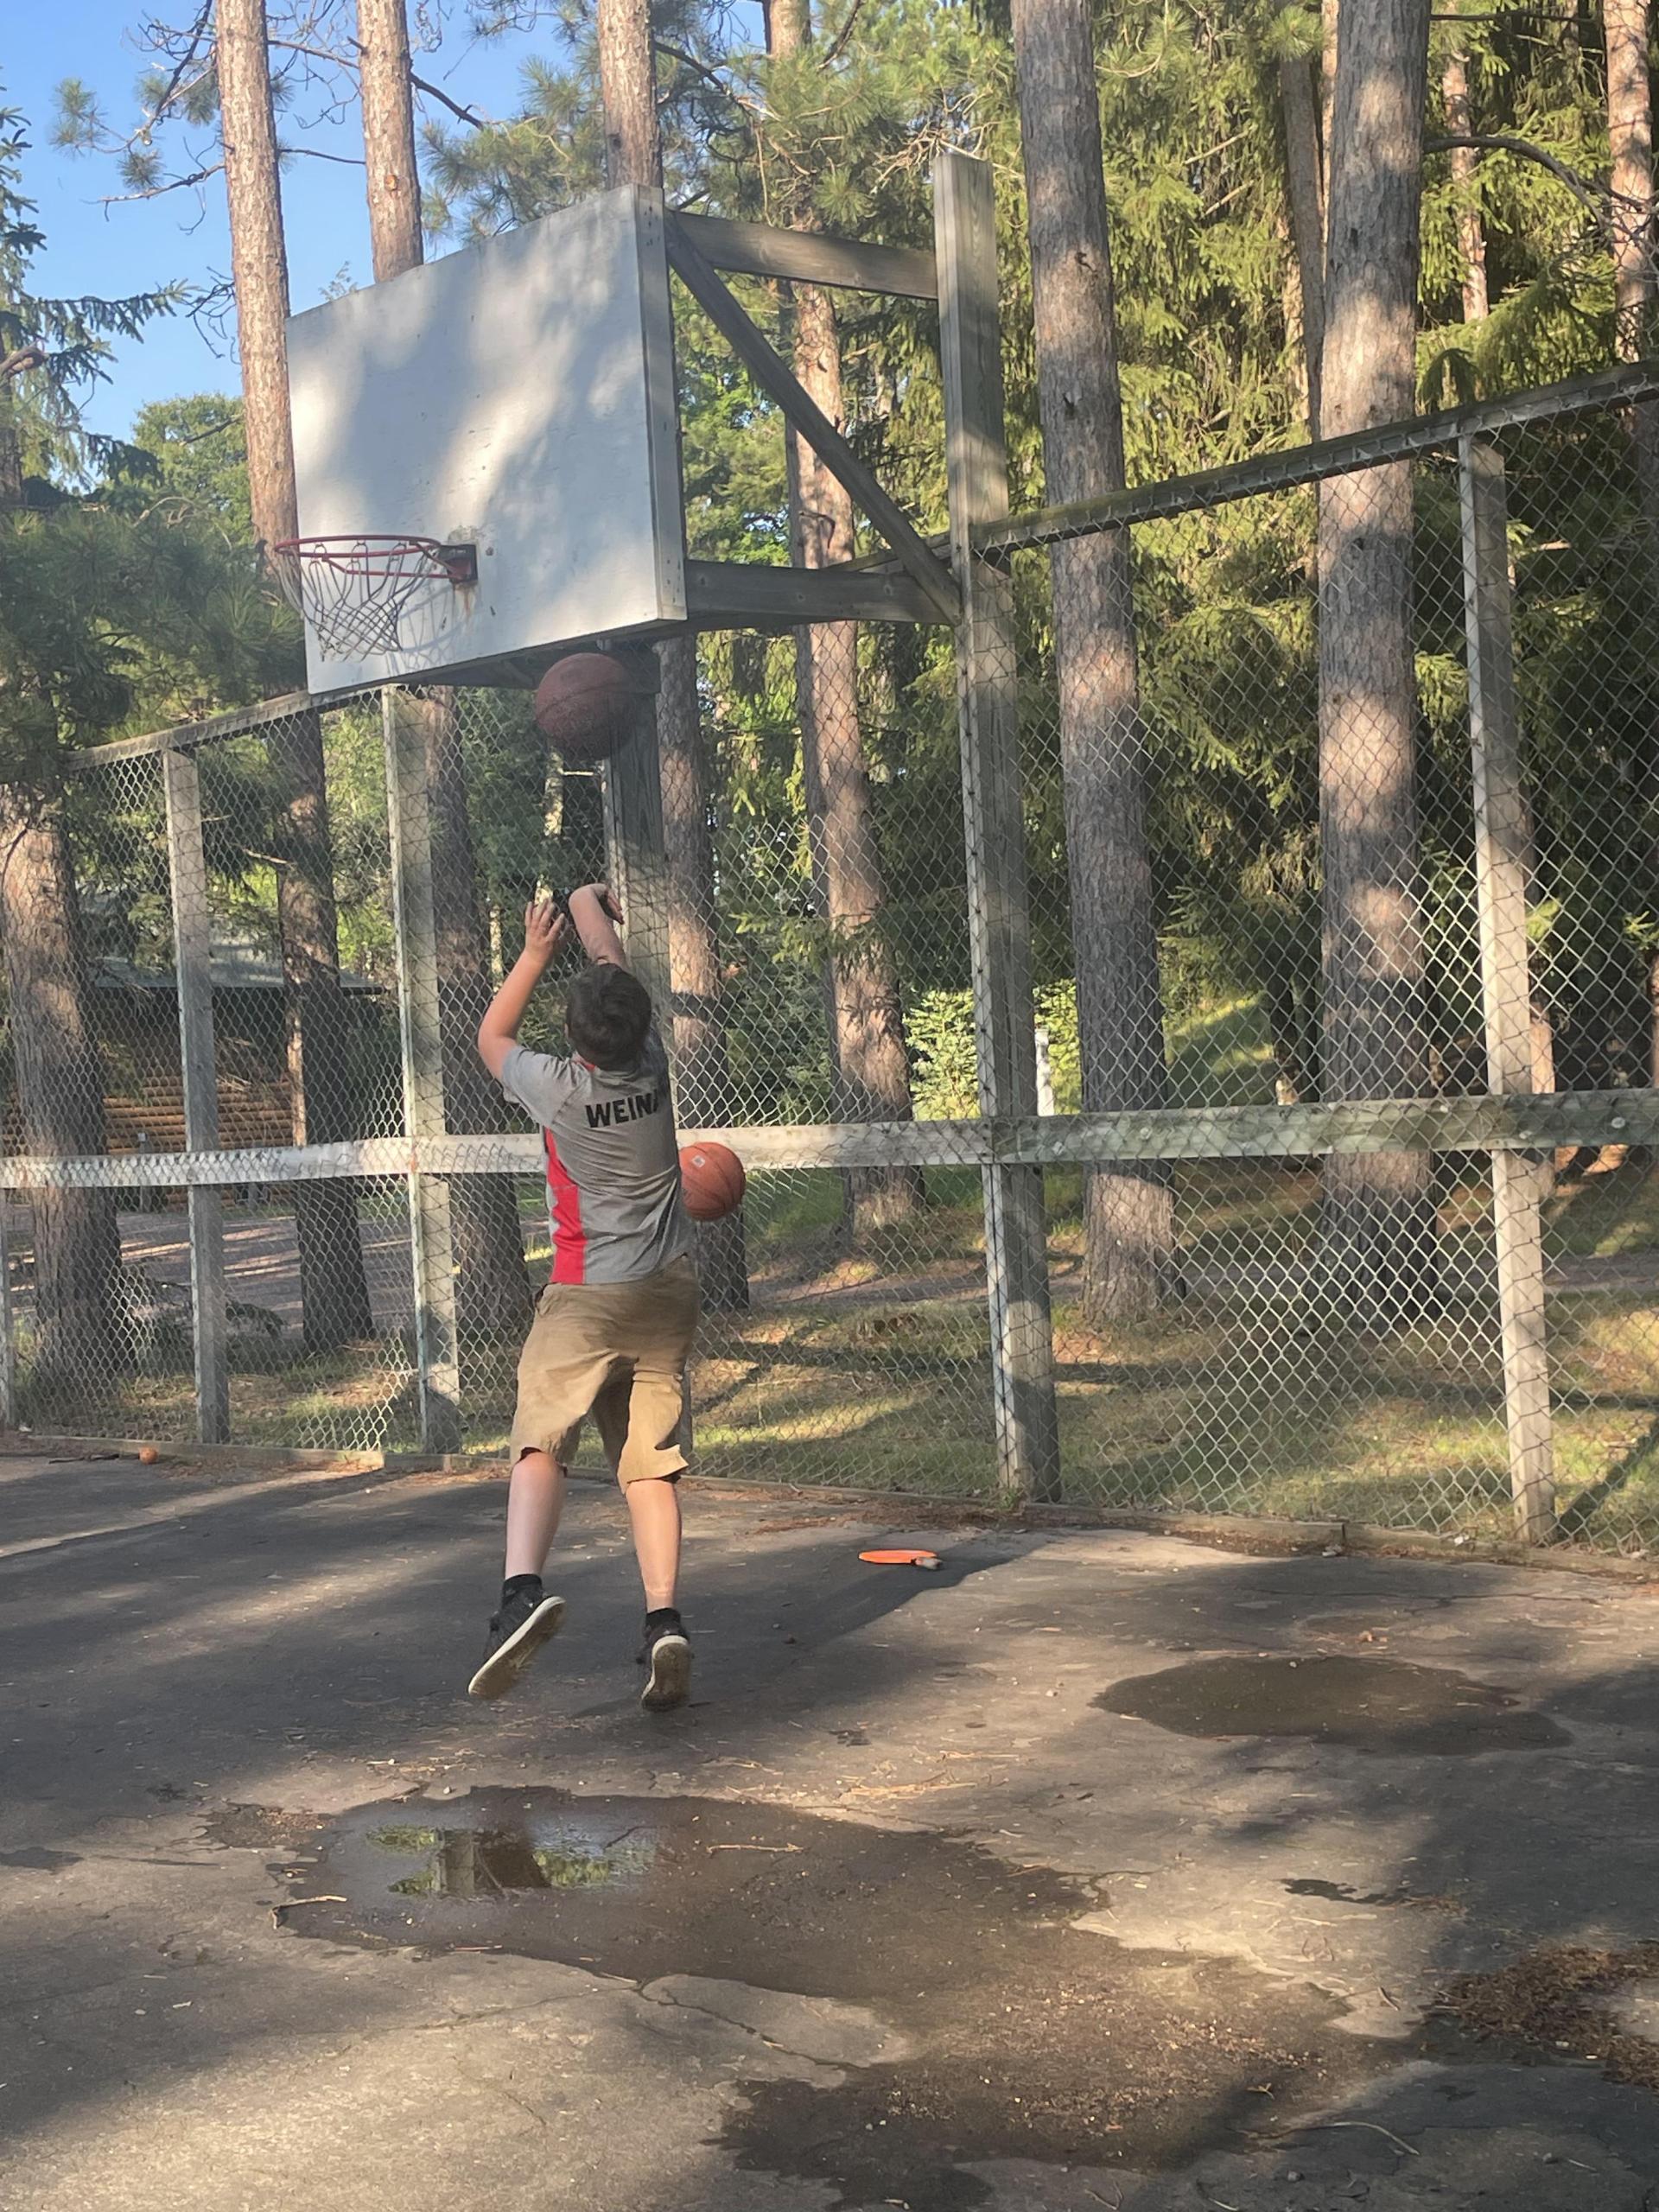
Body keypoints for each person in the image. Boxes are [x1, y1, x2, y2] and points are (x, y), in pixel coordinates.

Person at [468, 881, 698, 1711]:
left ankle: (520, 1595)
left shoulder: (557, 1086)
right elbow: (613, 966)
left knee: (540, 1437)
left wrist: (534, 951)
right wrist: (586, 898)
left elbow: (490, 1035)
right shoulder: (654, 1063)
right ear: (638, 1025)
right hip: (669, 1291)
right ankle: (664, 1619)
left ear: (573, 1039)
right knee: (649, 1465)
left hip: (589, 1294)